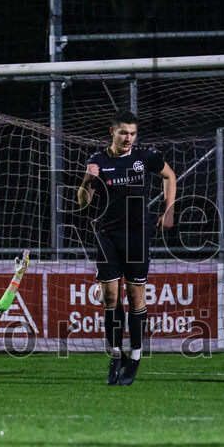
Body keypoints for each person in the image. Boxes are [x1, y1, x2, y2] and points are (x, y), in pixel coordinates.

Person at [77, 110, 176, 386]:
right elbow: (83, 202)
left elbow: (169, 176)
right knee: (110, 298)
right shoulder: (98, 161)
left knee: (135, 296)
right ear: (112, 132)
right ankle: (115, 355)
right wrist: (87, 179)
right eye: (123, 133)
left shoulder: (144, 157)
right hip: (108, 235)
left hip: (137, 235)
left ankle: (135, 357)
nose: (128, 138)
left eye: (132, 133)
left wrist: (169, 210)